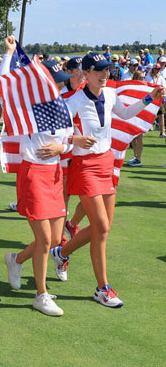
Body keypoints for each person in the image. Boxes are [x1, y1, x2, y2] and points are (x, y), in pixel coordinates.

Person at [50, 52, 164, 308]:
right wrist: (73, 140)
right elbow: (55, 131)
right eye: (98, 70)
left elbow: (124, 113)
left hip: (106, 161)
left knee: (105, 227)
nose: (104, 74)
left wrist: (148, 98)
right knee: (101, 228)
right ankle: (103, 288)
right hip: (84, 166)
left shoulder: (110, 94)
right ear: (86, 73)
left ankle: (61, 253)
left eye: (106, 69)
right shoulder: (74, 100)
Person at [3, 57, 79, 316]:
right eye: (52, 83)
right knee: (45, 239)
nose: (57, 88)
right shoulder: (27, 105)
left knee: (55, 239)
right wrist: (8, 53)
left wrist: (64, 147)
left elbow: (69, 140)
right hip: (33, 172)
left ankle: (16, 259)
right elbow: (5, 88)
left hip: (55, 173)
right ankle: (41, 294)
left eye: (59, 83)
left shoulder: (63, 107)